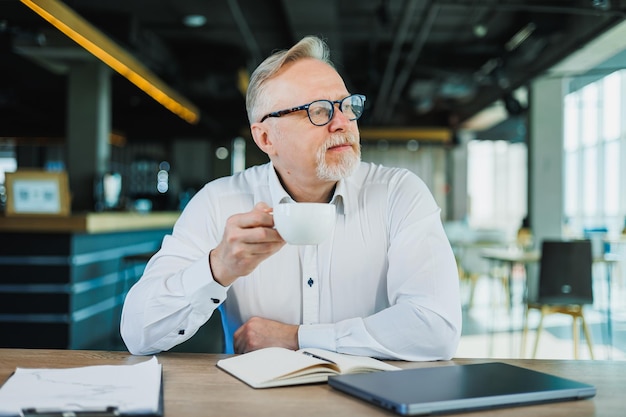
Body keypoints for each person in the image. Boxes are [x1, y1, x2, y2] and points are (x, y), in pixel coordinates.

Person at [120, 35, 461, 361]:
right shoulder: (218, 202)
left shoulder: (397, 194)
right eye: (319, 111)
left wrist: (297, 337)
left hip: (372, 397)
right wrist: (217, 266)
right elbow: (138, 333)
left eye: (346, 106)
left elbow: (436, 328)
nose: (342, 122)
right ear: (266, 137)